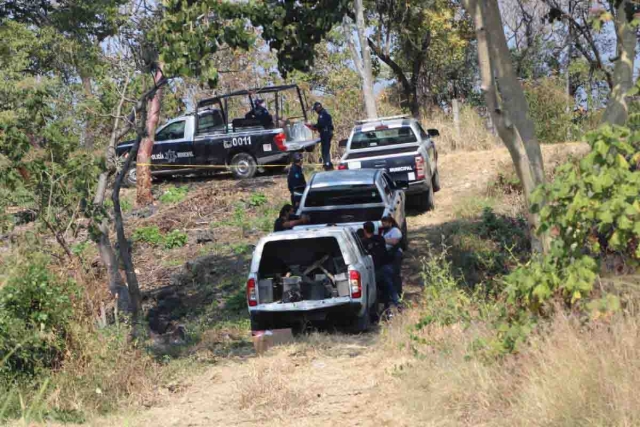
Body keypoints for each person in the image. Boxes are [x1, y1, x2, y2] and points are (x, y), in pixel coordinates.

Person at [361, 222, 399, 309]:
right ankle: (397, 304)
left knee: (376, 290)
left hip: (375, 270)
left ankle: (381, 309)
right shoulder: (380, 238)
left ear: (364, 230)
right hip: (385, 266)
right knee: (389, 287)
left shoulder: (364, 242)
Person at [381, 216, 404, 297]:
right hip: (387, 255)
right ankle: (392, 294)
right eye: (383, 224)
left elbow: (394, 241)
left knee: (396, 274)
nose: (383, 225)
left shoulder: (395, 231)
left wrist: (382, 240)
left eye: (385, 223)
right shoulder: (384, 232)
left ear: (390, 223)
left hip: (396, 254)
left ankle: (398, 293)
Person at [310, 101, 334, 170]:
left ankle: (328, 165)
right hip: (326, 133)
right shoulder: (324, 113)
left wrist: (314, 126)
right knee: (325, 150)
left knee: (325, 150)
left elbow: (321, 124)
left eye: (315, 109)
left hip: (325, 134)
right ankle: (327, 164)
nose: (315, 111)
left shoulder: (322, 114)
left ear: (318, 108)